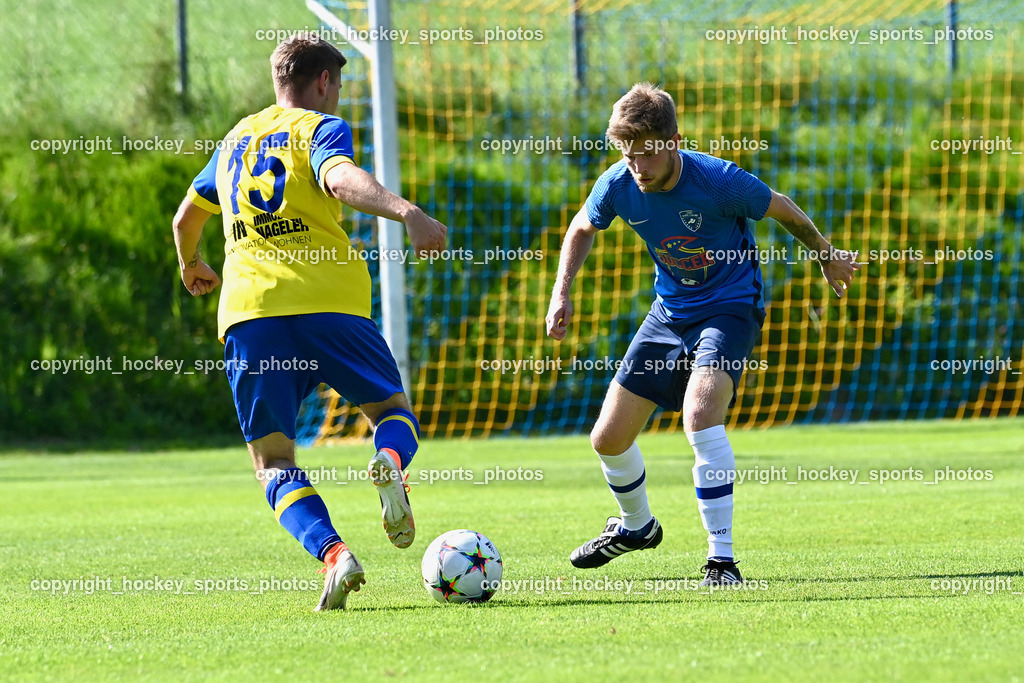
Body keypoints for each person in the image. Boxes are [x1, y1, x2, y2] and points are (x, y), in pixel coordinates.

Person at [171, 35, 447, 610]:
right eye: (339, 86)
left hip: (251, 317)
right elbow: (338, 178)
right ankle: (388, 461)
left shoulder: (233, 141)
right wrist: (408, 212)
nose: (339, 97)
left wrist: (191, 264)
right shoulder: (318, 129)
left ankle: (335, 555)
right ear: (323, 82)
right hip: (331, 306)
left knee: (273, 463)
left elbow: (184, 219)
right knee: (392, 414)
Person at [545, 82, 859, 585]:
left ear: (674, 141)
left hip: (730, 308)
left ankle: (722, 561)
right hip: (669, 314)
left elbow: (781, 207)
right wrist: (562, 292)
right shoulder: (618, 183)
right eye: (626, 153)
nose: (636, 166)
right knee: (607, 439)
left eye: (646, 154)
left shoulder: (718, 181)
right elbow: (582, 227)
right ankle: (636, 526)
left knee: (700, 414)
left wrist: (826, 253)